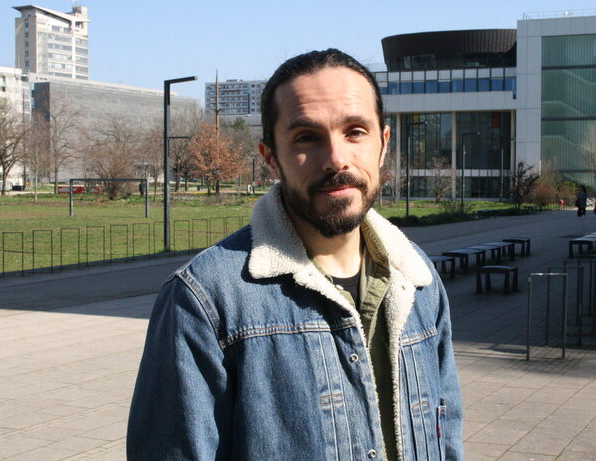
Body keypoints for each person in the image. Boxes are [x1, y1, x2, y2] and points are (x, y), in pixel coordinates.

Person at [127, 49, 463, 461]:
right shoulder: (206, 300)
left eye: (355, 131)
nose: (336, 159)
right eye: (307, 137)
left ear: (383, 144)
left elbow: (445, 437)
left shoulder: (418, 278)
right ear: (271, 158)